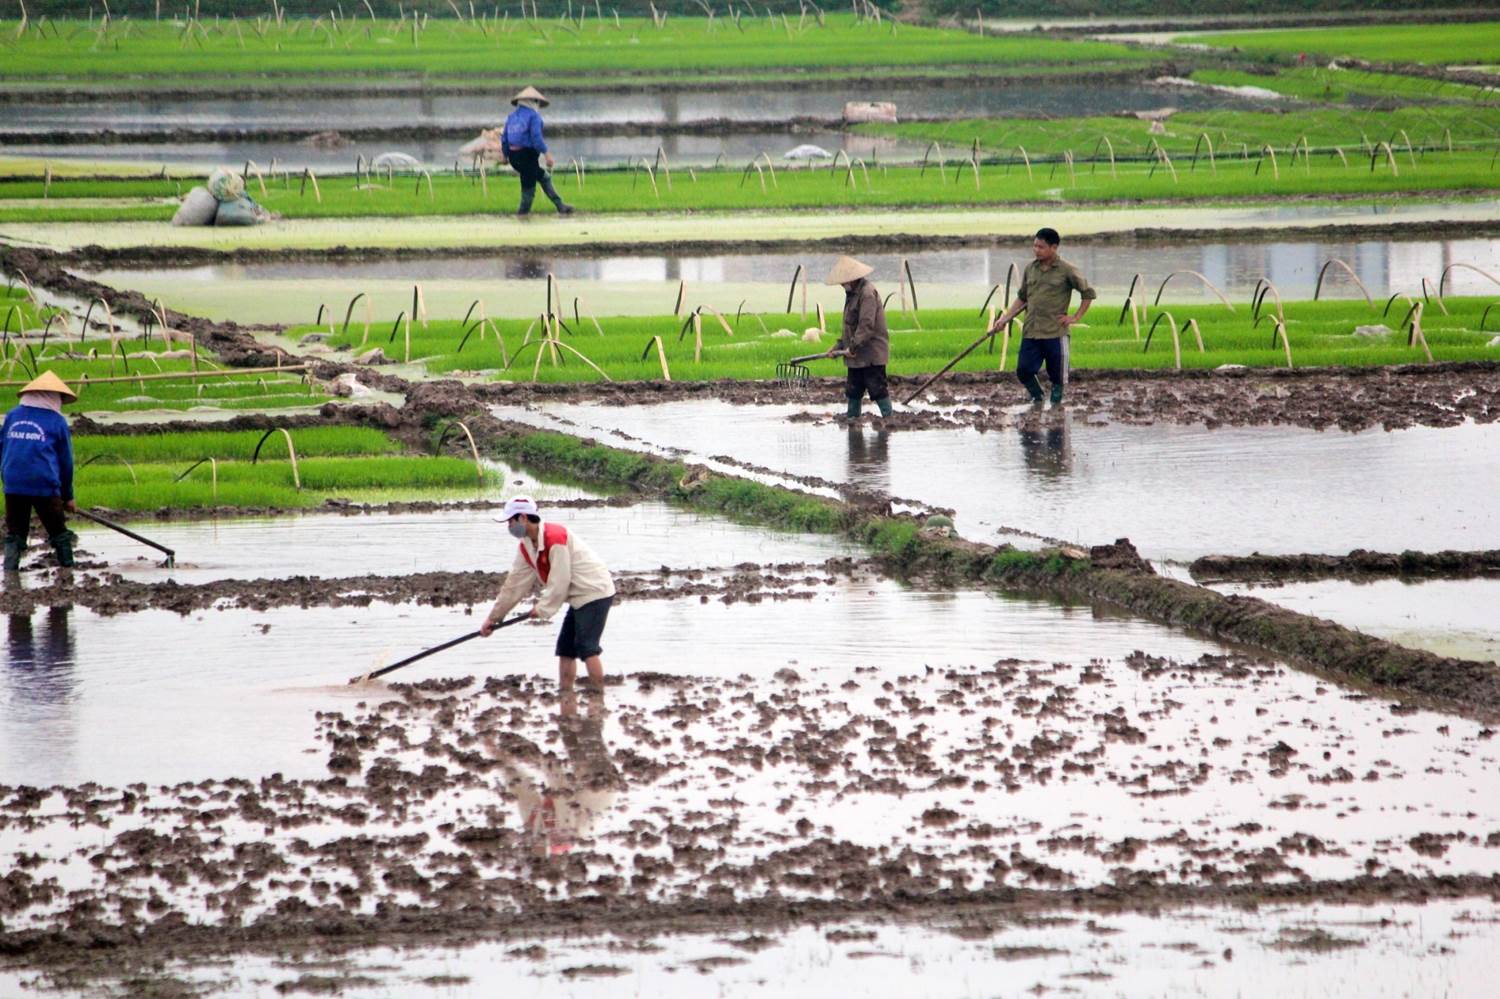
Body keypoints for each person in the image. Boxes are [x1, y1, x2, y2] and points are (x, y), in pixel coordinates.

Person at [481, 496, 615, 690]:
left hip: (594, 591)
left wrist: (543, 609)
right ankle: (566, 694)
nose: (508, 526)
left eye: (510, 521)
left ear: (523, 518)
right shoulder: (526, 545)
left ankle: (598, 698)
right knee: (566, 649)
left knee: (587, 648)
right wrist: (493, 618)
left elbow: (560, 581)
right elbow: (515, 584)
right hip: (577, 596)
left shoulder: (555, 538)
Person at [988, 228, 1096, 405]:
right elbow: (1023, 297)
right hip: (1032, 330)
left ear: (1054, 247)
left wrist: (1075, 317)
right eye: (1034, 246)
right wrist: (1005, 319)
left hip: (1055, 331)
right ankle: (1037, 397)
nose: (1036, 250)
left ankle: (1056, 407)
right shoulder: (1031, 269)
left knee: (1058, 376)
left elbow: (1088, 293)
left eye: (1041, 247)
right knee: (1023, 370)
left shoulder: (1067, 270)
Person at [2, 371, 78, 571]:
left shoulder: (12, 416)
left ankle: (10, 572)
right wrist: (67, 496)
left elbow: (3, 448)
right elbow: (65, 462)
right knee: (58, 531)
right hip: (43, 483)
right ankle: (68, 570)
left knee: (15, 533)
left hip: (13, 483)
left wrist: (8, 477)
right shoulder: (57, 421)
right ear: (52, 396)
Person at [826, 255, 892, 420]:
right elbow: (850, 327)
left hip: (871, 354)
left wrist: (852, 347)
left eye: (843, 281)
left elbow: (866, 326)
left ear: (852, 279)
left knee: (877, 388)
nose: (842, 284)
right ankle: (852, 421)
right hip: (855, 355)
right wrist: (839, 346)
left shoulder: (867, 293)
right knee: (853, 390)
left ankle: (889, 420)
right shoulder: (852, 294)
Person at [500, 85, 575, 218]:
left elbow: (504, 138)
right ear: (533, 102)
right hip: (527, 156)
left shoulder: (511, 117)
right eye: (537, 102)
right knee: (529, 187)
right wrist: (547, 155)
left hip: (514, 157)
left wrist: (505, 156)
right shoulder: (534, 117)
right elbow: (536, 138)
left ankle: (560, 206)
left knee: (543, 177)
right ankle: (522, 214)